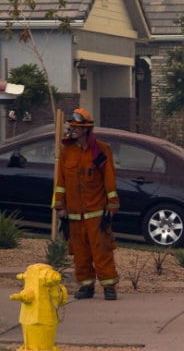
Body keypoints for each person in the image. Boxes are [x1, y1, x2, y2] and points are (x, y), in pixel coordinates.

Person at [53, 108, 121, 301]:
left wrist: (112, 203)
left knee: (102, 250)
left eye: (75, 127)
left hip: (96, 213)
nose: (71, 130)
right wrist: (60, 206)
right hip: (74, 214)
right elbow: (61, 181)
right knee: (80, 253)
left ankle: (109, 287)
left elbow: (109, 178)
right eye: (70, 126)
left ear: (85, 130)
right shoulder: (67, 152)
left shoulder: (100, 150)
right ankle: (86, 286)